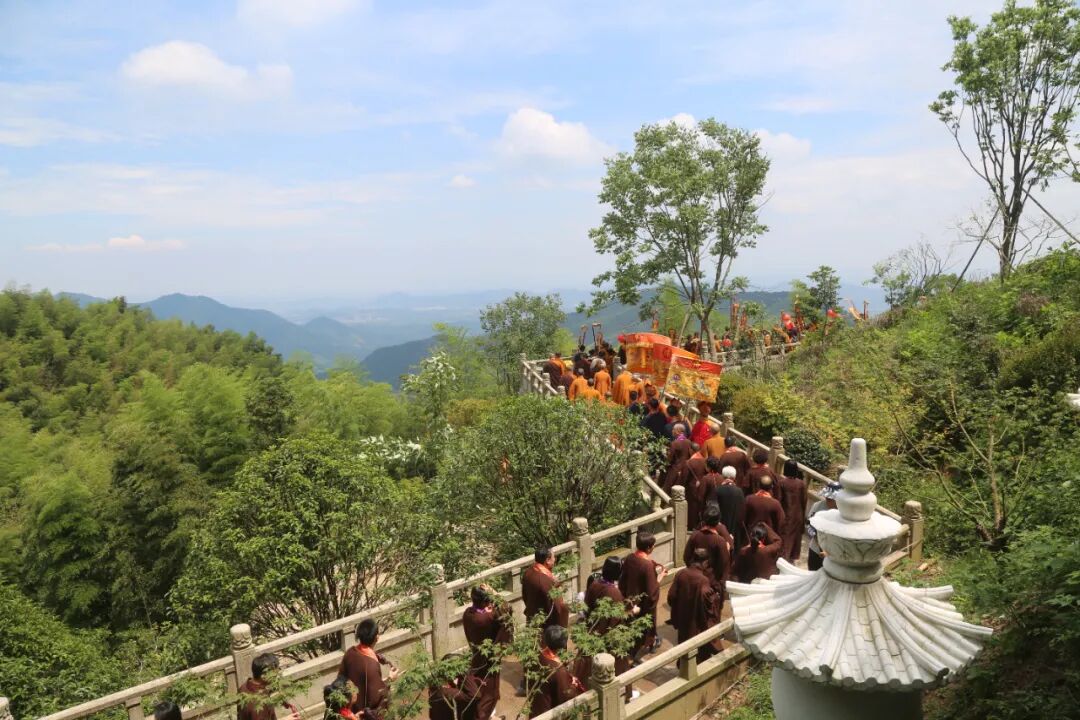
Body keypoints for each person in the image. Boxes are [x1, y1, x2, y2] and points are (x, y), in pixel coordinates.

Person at [575, 557, 636, 696]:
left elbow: (588, 607)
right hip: (609, 636)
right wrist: (631, 611)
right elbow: (617, 619)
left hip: (593, 631)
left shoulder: (594, 584)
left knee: (588, 667)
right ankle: (623, 694)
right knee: (618, 666)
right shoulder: (614, 592)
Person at [463, 585, 512, 720]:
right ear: (485, 601)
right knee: (489, 692)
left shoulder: (468, 613)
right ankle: (483, 716)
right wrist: (494, 593)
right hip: (488, 660)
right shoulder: (487, 618)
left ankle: (490, 715)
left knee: (480, 686)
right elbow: (507, 609)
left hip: (477, 656)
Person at [666, 548, 722, 661]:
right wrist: (716, 597)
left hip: (683, 618)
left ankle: (682, 664)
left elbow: (671, 596)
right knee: (698, 648)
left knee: (683, 644)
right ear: (705, 562)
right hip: (696, 620)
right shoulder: (703, 580)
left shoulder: (681, 573)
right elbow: (708, 603)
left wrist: (679, 610)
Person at [619, 532, 665, 658]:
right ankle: (649, 644)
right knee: (646, 626)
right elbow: (652, 592)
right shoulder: (647, 565)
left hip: (630, 598)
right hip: (643, 603)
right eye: (653, 545)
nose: (654, 547)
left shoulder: (629, 558)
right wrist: (660, 578)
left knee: (631, 624)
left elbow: (623, 579)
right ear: (649, 548)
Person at [339, 618, 397, 718]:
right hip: (362, 714)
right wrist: (390, 679)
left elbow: (340, 679)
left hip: (349, 710)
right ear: (377, 637)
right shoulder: (371, 665)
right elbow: (377, 698)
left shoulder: (350, 653)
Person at [529, 625, 585, 718]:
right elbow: (565, 696)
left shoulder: (537, 656)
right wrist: (573, 685)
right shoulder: (558, 671)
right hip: (547, 713)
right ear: (563, 645)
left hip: (536, 706)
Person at [682, 506, 731, 598]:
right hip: (712, 582)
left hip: (695, 579)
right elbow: (724, 564)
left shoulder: (695, 535)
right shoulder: (720, 541)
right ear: (718, 522)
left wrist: (693, 570)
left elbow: (686, 557)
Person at [238, 653, 300, 720]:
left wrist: (282, 701)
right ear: (264, 676)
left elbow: (267, 690)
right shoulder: (259, 706)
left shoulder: (244, 687)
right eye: (274, 673)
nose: (277, 676)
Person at [522, 547, 569, 629]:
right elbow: (557, 608)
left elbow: (525, 596)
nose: (555, 560)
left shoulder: (528, 572)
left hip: (532, 618)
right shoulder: (544, 582)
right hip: (546, 625)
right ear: (547, 560)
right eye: (553, 557)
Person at [778, 460, 808, 563]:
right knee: (796, 537)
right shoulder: (801, 484)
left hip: (786, 515)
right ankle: (792, 557)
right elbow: (804, 501)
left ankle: (783, 559)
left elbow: (779, 500)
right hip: (798, 515)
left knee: (786, 538)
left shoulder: (782, 483)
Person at [807, 481, 840, 571]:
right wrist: (822, 548)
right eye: (827, 497)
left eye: (831, 499)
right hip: (816, 550)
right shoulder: (818, 506)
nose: (827, 499)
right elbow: (810, 526)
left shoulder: (843, 512)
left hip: (835, 555)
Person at [713, 464, 747, 549]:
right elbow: (742, 510)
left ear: (723, 476)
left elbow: (713, 508)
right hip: (735, 526)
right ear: (734, 477)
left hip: (720, 525)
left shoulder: (718, 490)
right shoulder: (739, 491)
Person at [679, 455, 710, 530]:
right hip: (704, 490)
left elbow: (683, 479)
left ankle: (691, 527)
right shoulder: (704, 461)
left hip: (691, 491)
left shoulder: (688, 463)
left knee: (692, 510)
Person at [663, 424, 694, 491]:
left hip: (674, 469)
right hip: (684, 469)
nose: (672, 431)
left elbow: (669, 459)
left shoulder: (675, 443)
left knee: (667, 490)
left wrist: (665, 455)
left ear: (678, 431)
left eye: (673, 429)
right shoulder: (688, 442)